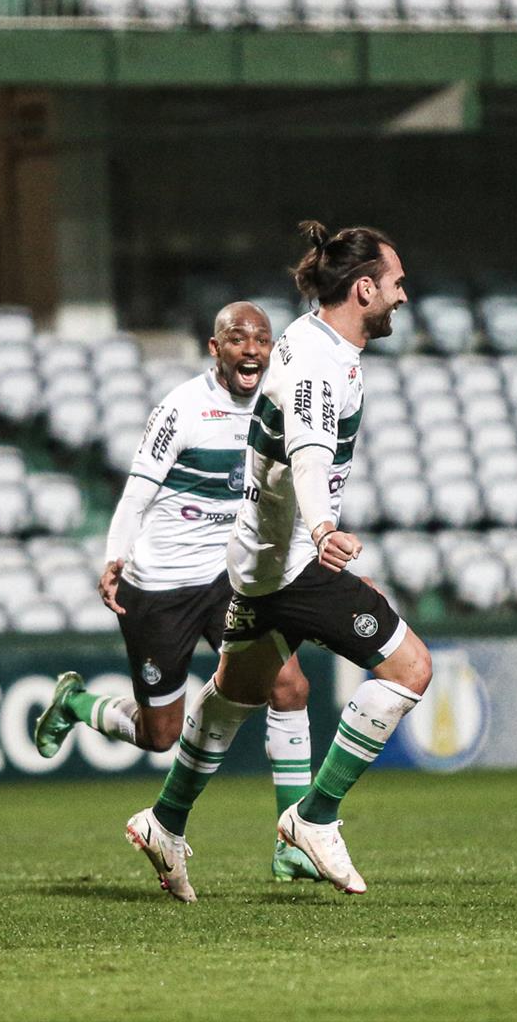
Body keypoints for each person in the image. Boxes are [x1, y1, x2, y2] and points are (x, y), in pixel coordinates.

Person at [125, 221, 430, 899]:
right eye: (397, 284)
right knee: (412, 669)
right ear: (364, 287)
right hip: (293, 561)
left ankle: (164, 819)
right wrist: (324, 532)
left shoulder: (302, 336)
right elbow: (310, 453)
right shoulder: (322, 364)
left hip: (258, 556)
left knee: (236, 691)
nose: (403, 297)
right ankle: (314, 817)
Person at [31, 301, 323, 888]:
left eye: (261, 340)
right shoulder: (181, 409)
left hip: (225, 581)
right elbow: (136, 495)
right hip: (160, 588)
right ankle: (76, 705)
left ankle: (294, 840)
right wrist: (114, 556)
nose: (251, 349)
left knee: (289, 684)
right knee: (160, 734)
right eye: (237, 338)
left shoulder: (278, 409)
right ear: (215, 349)